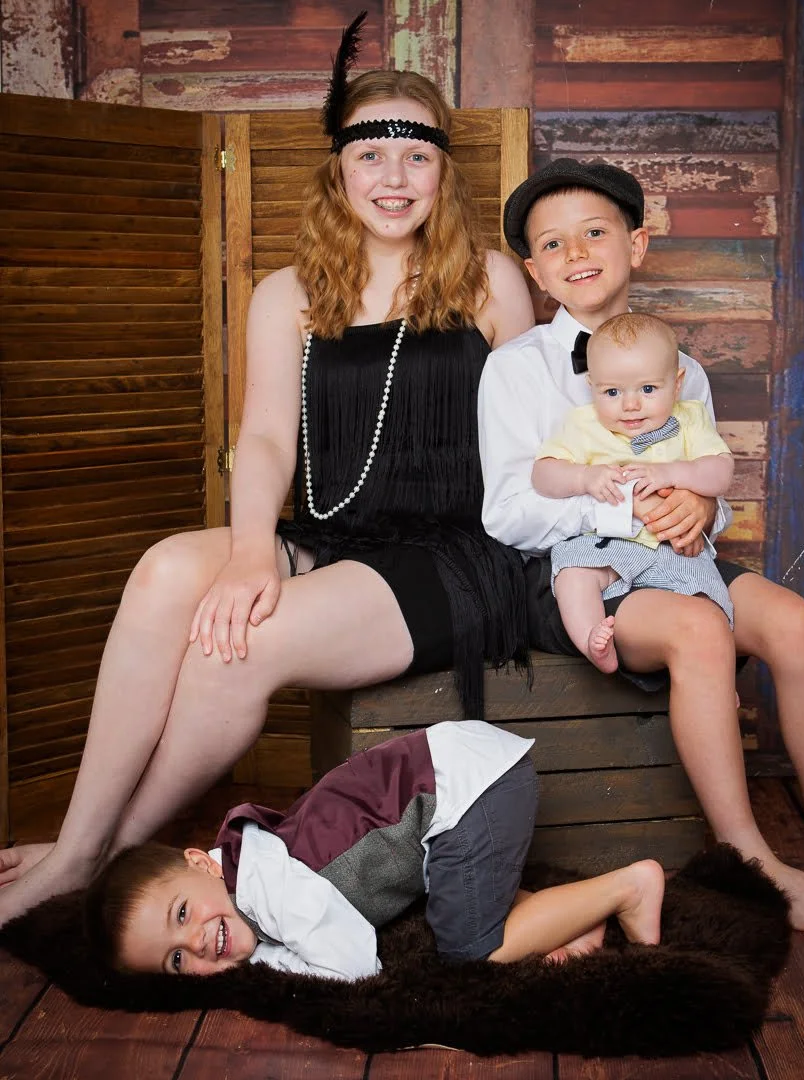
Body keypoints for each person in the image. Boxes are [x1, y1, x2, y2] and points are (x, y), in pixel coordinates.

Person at [0, 18, 535, 928]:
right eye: (371, 155)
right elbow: (264, 441)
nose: (394, 177)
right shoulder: (287, 293)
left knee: (231, 652)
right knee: (165, 570)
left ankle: (93, 860)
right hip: (334, 532)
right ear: (338, 171)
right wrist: (255, 551)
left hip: (454, 554)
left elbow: (537, 435)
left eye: (416, 156)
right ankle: (79, 843)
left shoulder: (489, 280)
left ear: (444, 173)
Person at [478, 158, 804, 936]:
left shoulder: (680, 366)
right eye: (552, 244)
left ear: (637, 244)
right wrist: (624, 506)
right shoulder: (515, 370)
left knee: (794, 622)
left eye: (595, 232)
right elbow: (507, 513)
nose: (576, 252)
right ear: (535, 273)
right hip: (574, 569)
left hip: (671, 556)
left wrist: (702, 509)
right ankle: (753, 860)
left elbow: (705, 473)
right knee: (698, 627)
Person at [84, 722, 665, 978]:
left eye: (182, 913)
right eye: (176, 962)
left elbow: (354, 963)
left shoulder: (263, 884)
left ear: (199, 862)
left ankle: (628, 888)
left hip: (469, 790)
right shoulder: (246, 869)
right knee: (461, 900)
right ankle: (575, 920)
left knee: (468, 951)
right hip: (465, 781)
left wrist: (273, 968)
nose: (194, 943)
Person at [533, 311, 734, 674]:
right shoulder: (583, 424)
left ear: (677, 383)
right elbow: (542, 475)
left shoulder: (689, 419)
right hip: (605, 544)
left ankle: (715, 674)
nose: (630, 405)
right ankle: (593, 640)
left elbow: (721, 472)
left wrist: (674, 472)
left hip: (674, 548)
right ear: (592, 387)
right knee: (572, 573)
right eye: (612, 392)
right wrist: (584, 477)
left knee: (707, 603)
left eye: (648, 389)